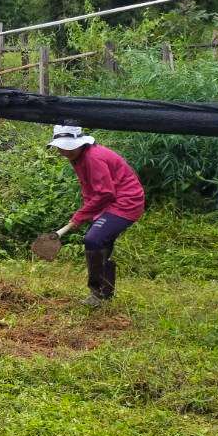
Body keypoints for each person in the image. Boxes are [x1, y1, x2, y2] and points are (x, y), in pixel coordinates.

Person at [49, 124, 146, 306]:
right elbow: (89, 188)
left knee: (93, 239)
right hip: (110, 202)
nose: (64, 150)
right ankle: (103, 294)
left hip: (126, 202)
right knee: (101, 241)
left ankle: (97, 293)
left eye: (68, 146)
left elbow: (105, 193)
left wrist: (80, 215)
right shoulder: (78, 156)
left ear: (79, 142)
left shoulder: (93, 157)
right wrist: (88, 212)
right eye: (61, 146)